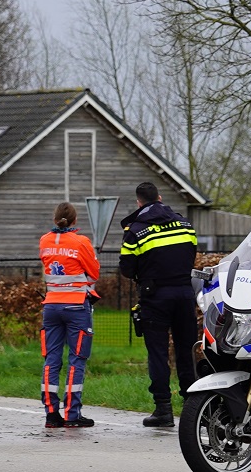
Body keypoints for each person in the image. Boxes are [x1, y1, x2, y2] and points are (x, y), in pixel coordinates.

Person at [119, 181, 199, 428]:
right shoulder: (185, 225)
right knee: (187, 351)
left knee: (158, 353)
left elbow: (126, 268)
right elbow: (191, 253)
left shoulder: (136, 230)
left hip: (155, 298)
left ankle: (163, 410)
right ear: (161, 198)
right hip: (186, 295)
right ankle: (192, 408)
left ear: (138, 203)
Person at [39, 202, 101, 428]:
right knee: (77, 360)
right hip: (76, 307)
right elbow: (94, 273)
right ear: (75, 220)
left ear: (55, 219)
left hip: (51, 307)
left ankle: (51, 414)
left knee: (51, 360)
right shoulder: (81, 242)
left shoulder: (44, 240)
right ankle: (72, 414)